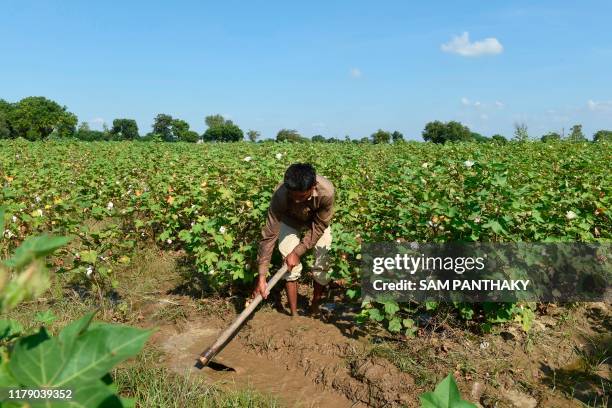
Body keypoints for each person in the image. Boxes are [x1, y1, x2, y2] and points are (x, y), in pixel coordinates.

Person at [253, 163, 335, 316]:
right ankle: (294, 314)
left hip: (316, 223)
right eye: (293, 196)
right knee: (288, 263)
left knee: (322, 262)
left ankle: (315, 306)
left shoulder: (327, 192)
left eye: (302, 196)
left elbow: (319, 226)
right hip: (290, 221)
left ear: (314, 186)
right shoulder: (280, 194)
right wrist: (262, 276)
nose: (297, 201)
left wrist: (298, 252)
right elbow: (269, 235)